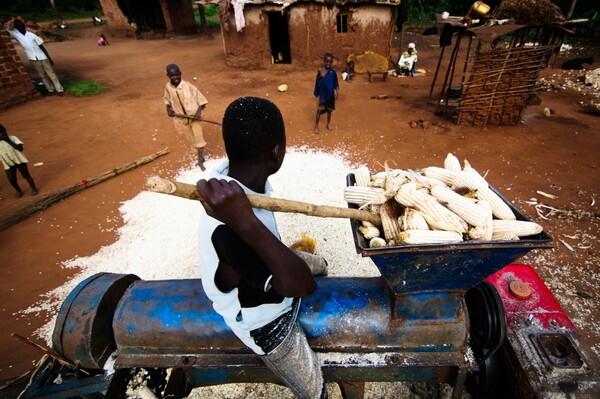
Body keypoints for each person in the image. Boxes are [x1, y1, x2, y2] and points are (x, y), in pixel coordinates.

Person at [196, 97, 328, 399]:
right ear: (276, 152)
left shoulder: (233, 179)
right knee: (314, 388)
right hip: (260, 316)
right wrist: (244, 220)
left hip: (259, 260)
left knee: (317, 262)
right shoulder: (231, 226)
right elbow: (301, 287)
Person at [163, 64, 209, 171]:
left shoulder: (188, 86)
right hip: (181, 118)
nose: (174, 78)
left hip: (194, 117)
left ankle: (201, 159)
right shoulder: (168, 88)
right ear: (168, 76)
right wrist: (168, 109)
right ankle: (198, 156)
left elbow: (202, 100)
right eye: (172, 76)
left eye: (176, 75)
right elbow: (167, 100)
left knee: (198, 137)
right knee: (190, 139)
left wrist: (198, 113)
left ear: (180, 73)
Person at [6, 19, 64, 96]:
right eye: (17, 26)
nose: (19, 27)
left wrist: (49, 58)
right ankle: (50, 89)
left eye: (20, 25)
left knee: (51, 74)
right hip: (32, 58)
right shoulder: (15, 34)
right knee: (42, 75)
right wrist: (9, 23)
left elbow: (42, 47)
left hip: (42, 56)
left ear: (23, 26)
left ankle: (59, 89)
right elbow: (5, 31)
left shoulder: (32, 35)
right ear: (15, 27)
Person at [0, 124, 39, 198]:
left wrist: (8, 141)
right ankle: (18, 189)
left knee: (26, 175)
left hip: (20, 161)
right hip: (8, 163)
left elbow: (20, 148)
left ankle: (33, 188)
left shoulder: (13, 138)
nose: (3, 135)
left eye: (3, 133)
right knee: (12, 179)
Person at [313, 53, 339, 134]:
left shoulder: (333, 72)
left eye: (330, 62)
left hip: (330, 95)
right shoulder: (320, 70)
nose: (328, 63)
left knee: (329, 111)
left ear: (332, 62)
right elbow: (317, 81)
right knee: (319, 111)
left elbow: (335, 83)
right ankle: (316, 126)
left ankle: (328, 124)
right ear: (324, 61)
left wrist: (337, 92)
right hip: (322, 95)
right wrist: (316, 92)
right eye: (327, 61)